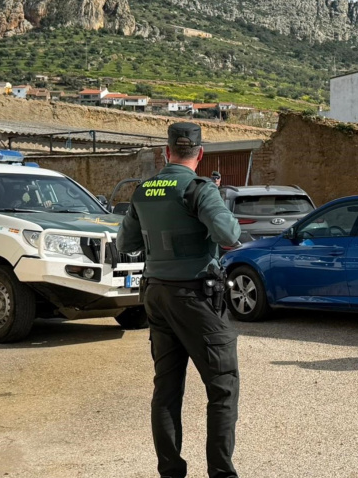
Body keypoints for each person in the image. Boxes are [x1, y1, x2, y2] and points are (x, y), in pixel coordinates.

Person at [117, 122, 242, 478]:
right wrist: (214, 202)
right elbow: (229, 234)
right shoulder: (199, 188)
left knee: (167, 390)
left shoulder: (144, 190)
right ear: (200, 153)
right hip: (196, 296)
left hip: (157, 294)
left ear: (166, 152)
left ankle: (171, 472)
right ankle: (222, 473)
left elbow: (126, 244)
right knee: (222, 387)